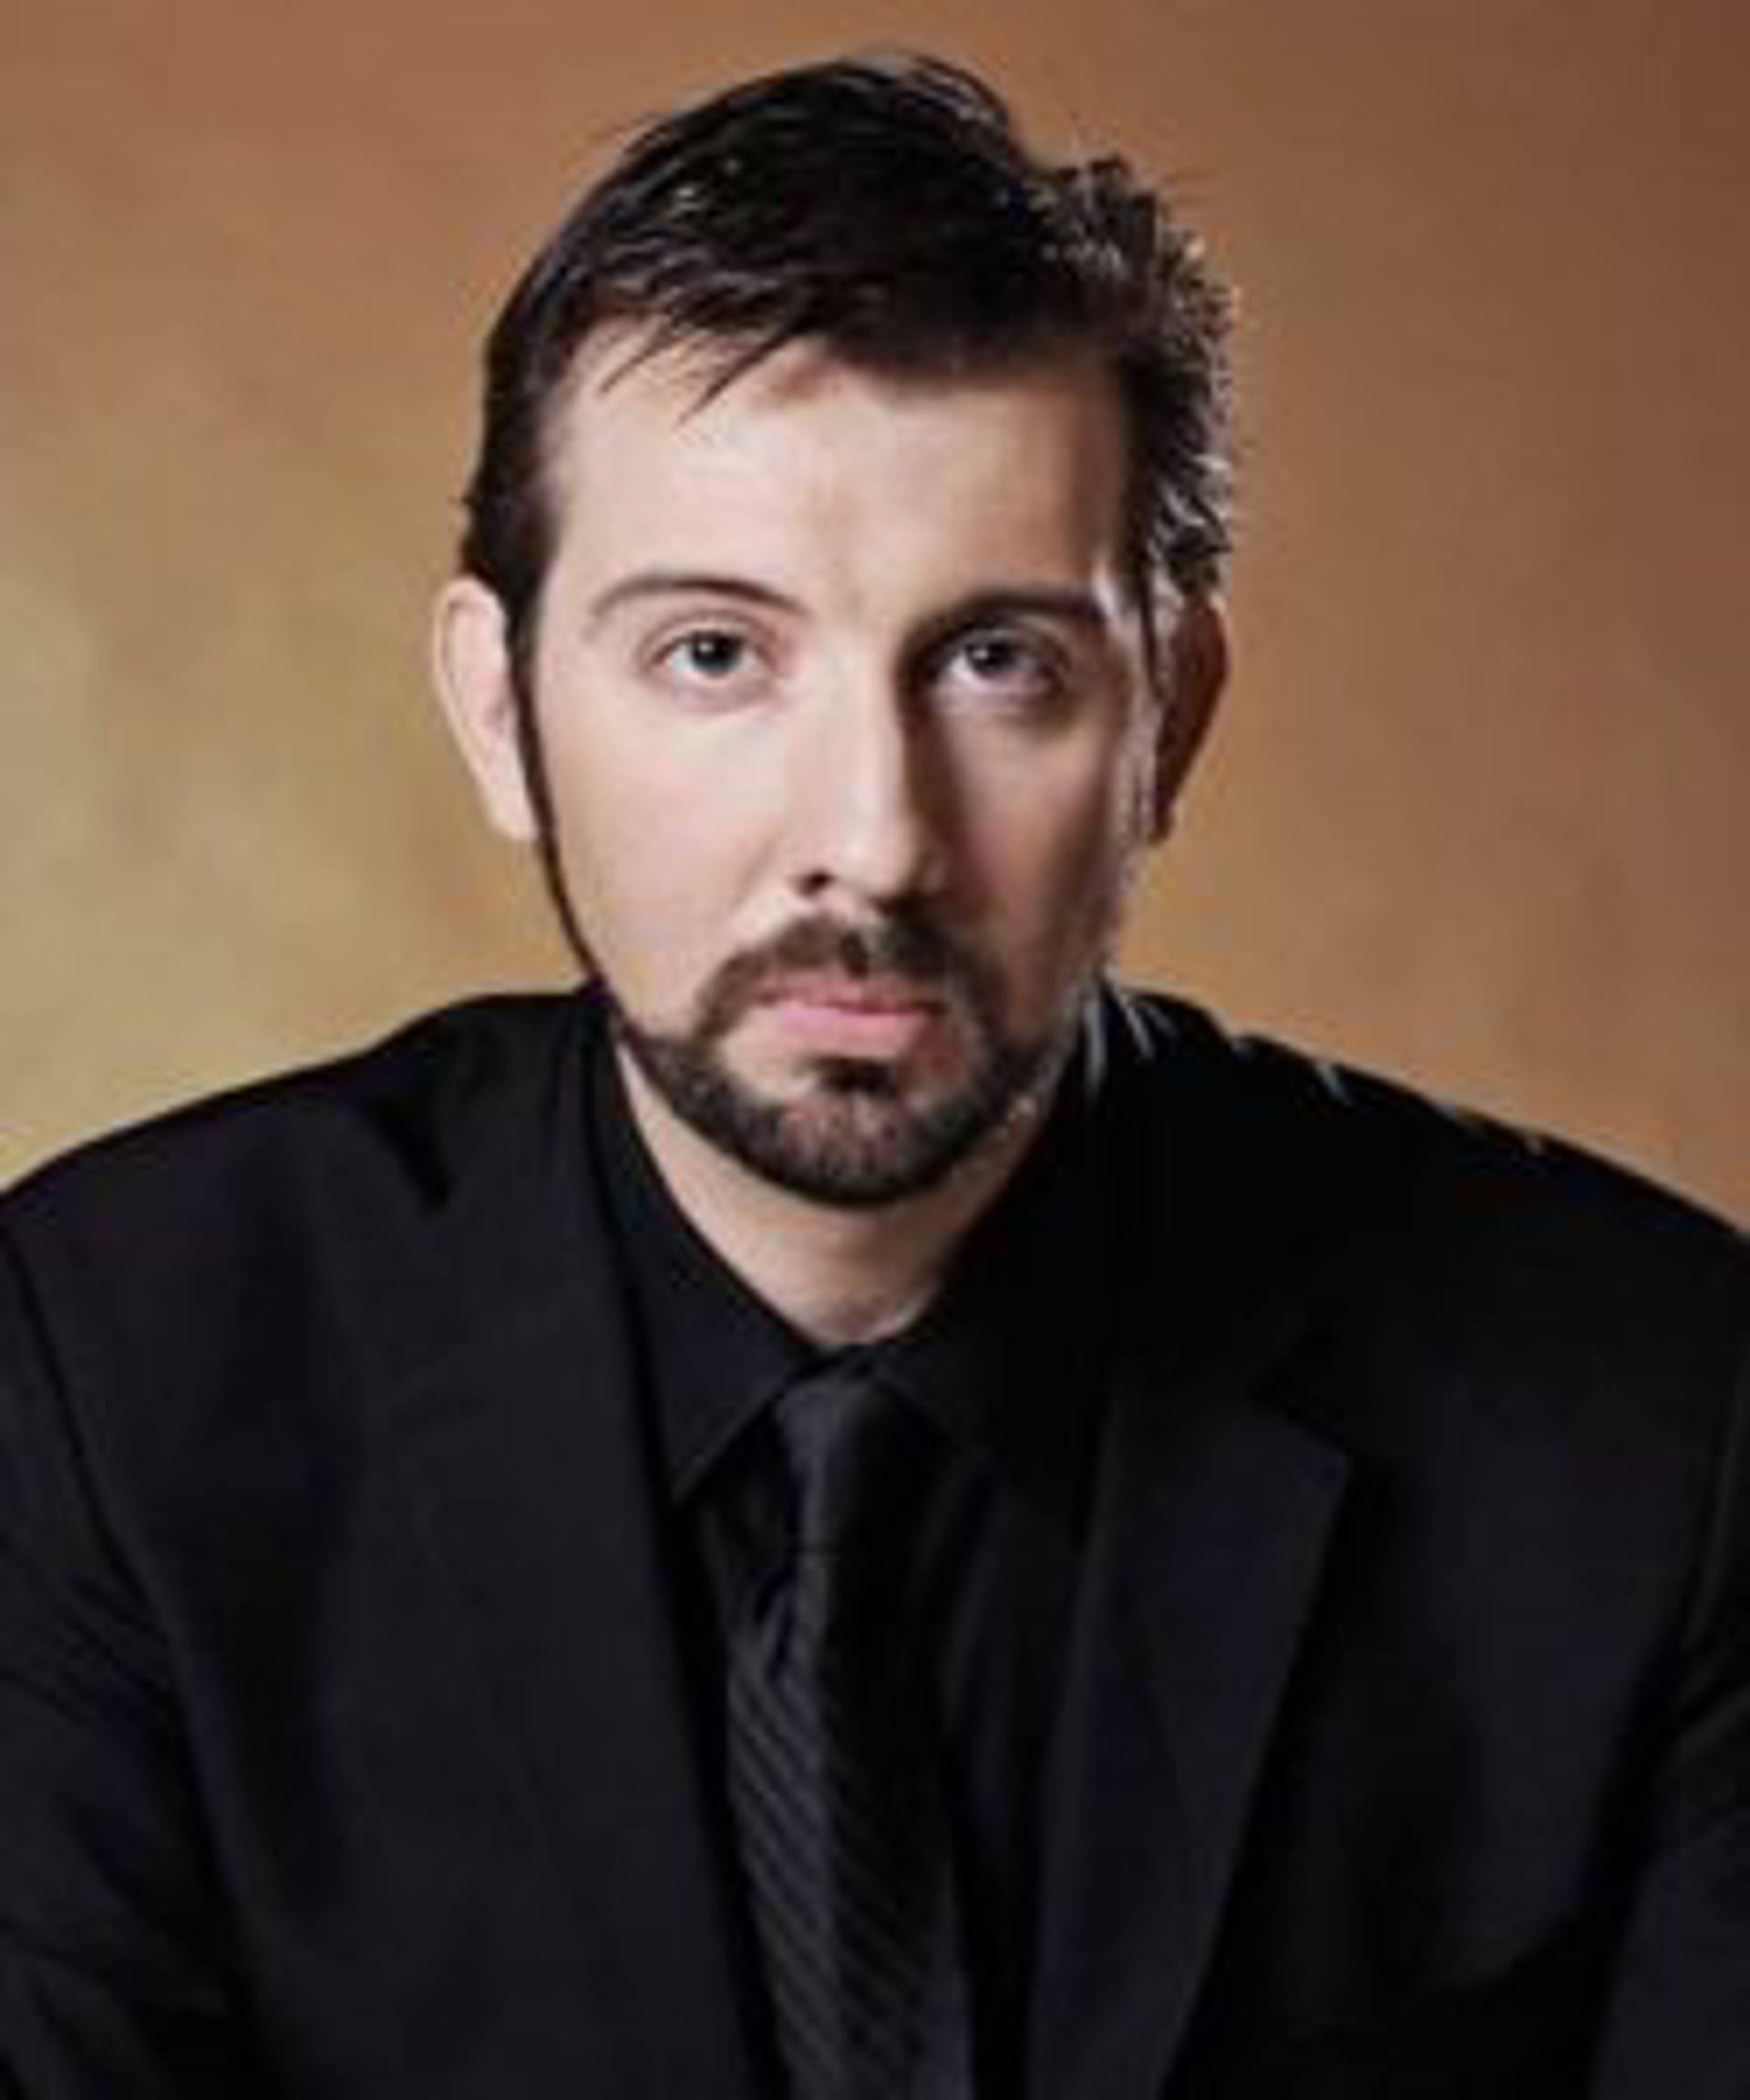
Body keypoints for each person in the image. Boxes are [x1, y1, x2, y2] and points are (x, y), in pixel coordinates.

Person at [0, 50, 1744, 2100]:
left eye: (1000, 663)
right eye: (713, 655)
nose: (875, 840)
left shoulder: (1658, 1423)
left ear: (1170, 719)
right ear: (500, 709)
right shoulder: (107, 1379)